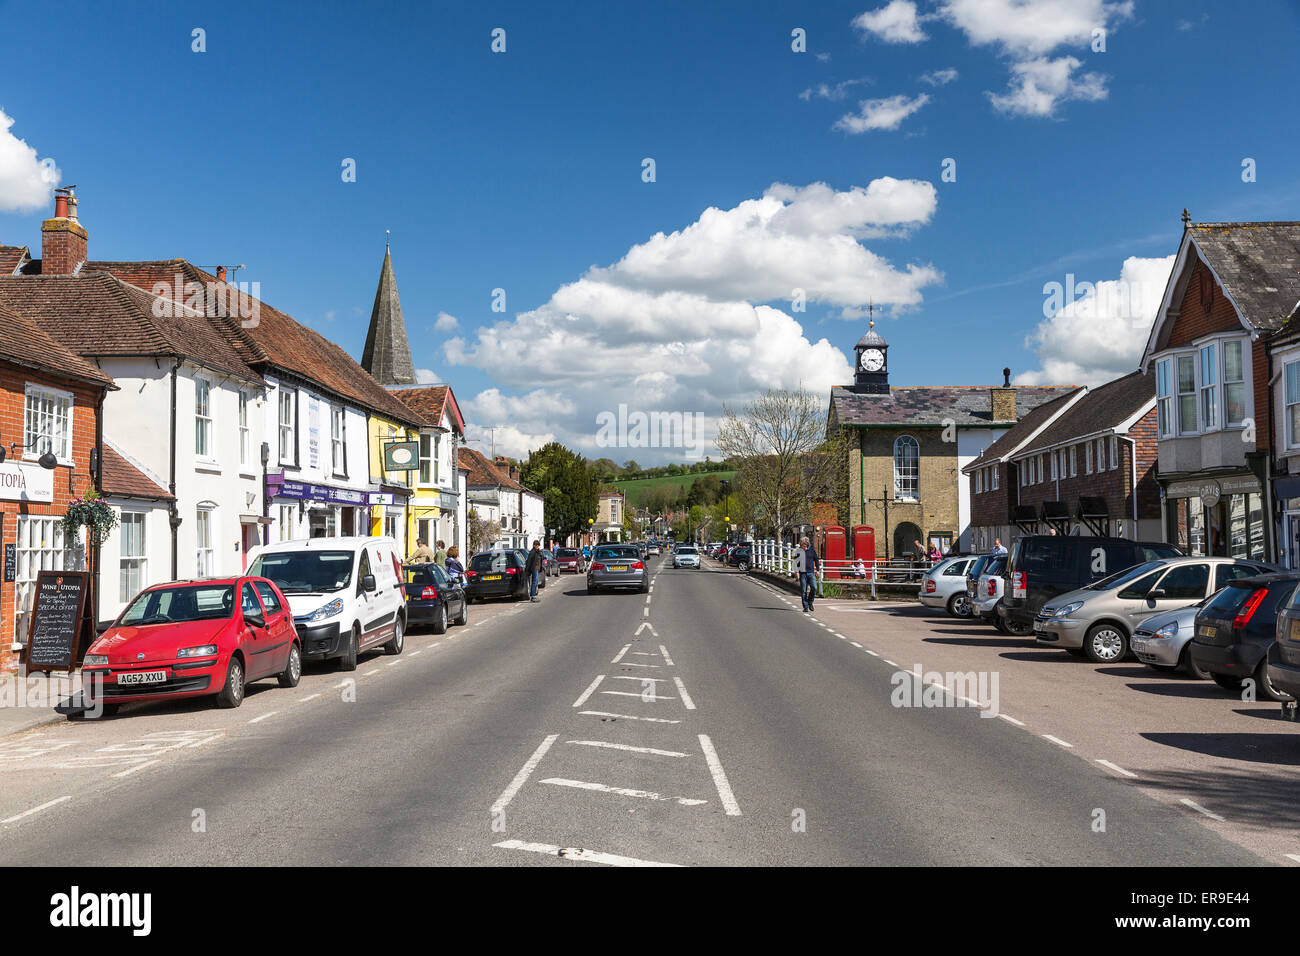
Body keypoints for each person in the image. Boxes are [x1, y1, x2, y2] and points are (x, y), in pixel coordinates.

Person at [798, 536, 820, 612]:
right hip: (802, 573)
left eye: (802, 545)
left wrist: (818, 570)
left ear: (806, 544)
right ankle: (805, 606)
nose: (801, 547)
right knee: (803, 590)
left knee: (814, 587)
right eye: (801, 545)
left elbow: (816, 560)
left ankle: (810, 602)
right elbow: (796, 562)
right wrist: (796, 572)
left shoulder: (812, 550)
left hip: (811, 572)